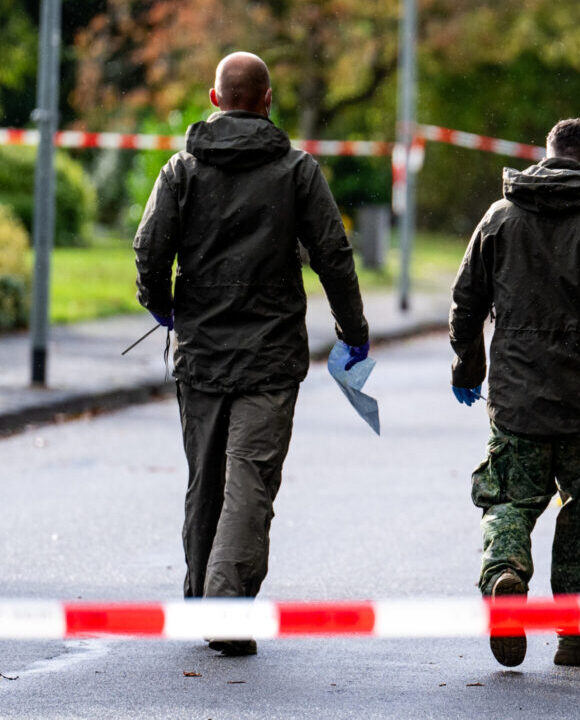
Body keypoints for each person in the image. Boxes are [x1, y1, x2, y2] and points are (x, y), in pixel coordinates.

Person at [134, 51, 369, 657]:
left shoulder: (180, 172)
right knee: (250, 479)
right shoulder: (296, 171)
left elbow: (149, 249)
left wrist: (162, 308)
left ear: (215, 100)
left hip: (201, 353)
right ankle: (227, 608)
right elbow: (333, 257)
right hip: (269, 357)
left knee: (205, 479)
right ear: (267, 102)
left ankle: (202, 602)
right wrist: (354, 330)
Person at [449, 117, 580, 668]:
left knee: (511, 499)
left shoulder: (500, 218)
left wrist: (466, 367)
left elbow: (467, 299)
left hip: (516, 396)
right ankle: (574, 637)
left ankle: (506, 575)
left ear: (546, 154)